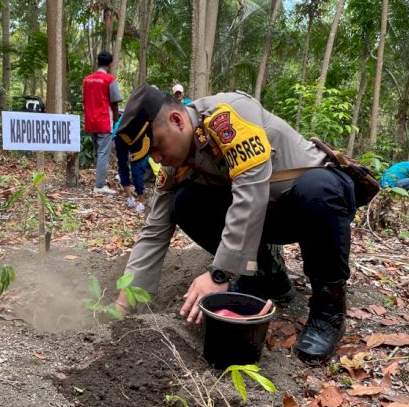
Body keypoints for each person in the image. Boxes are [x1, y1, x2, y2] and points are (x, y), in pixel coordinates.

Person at [114, 85, 357, 363]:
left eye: (156, 146)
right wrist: (123, 303)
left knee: (318, 188)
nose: (156, 159)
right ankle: (266, 276)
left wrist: (219, 274)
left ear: (177, 121)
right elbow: (153, 232)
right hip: (266, 218)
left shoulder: (227, 116)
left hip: (313, 205)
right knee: (185, 203)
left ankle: (329, 310)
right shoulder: (176, 166)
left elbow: (251, 191)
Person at [83, 51, 121, 195]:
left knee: (97, 154)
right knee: (103, 153)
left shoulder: (87, 80)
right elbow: (115, 103)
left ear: (97, 62)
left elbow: (85, 100)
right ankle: (99, 185)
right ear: (110, 65)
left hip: (90, 121)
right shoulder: (109, 80)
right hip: (104, 121)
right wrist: (116, 118)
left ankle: (99, 181)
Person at [113, 116, 148, 212]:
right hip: (135, 132)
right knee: (137, 164)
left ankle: (130, 198)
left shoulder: (134, 105)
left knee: (123, 164)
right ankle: (140, 200)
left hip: (120, 131)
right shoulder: (148, 109)